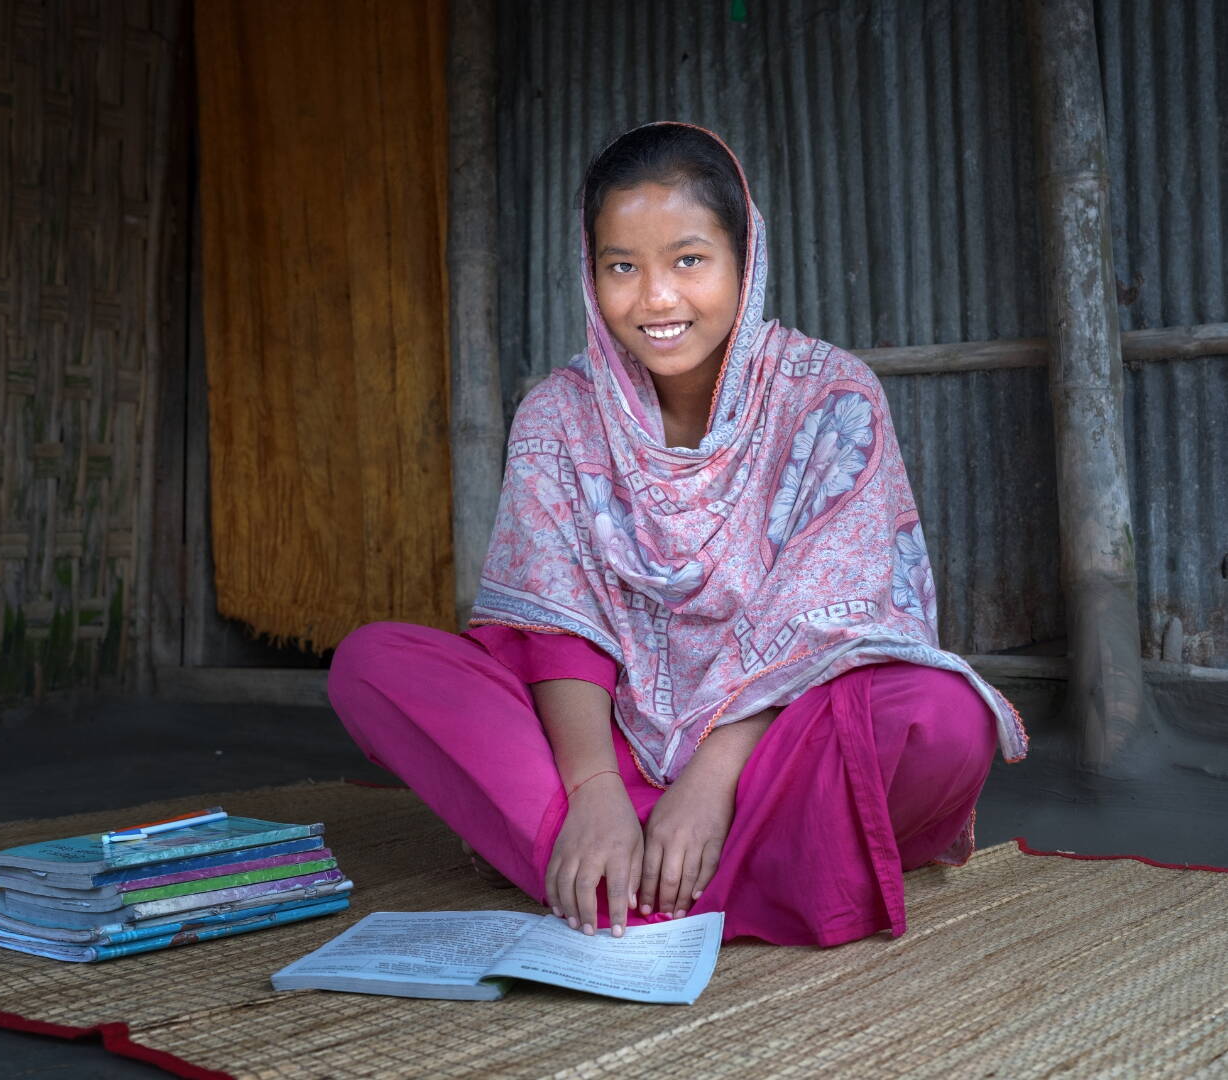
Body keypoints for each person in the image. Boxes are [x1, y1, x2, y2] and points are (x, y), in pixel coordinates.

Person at [328, 122, 1027, 947]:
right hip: (607, 752)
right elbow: (556, 631)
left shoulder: (831, 395)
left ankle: (613, 874)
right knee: (373, 666)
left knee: (943, 719)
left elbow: (835, 622)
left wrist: (711, 780)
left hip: (774, 756)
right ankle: (694, 857)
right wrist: (592, 789)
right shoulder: (561, 413)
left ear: (745, 260)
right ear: (591, 277)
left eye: (688, 260)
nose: (656, 298)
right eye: (622, 266)